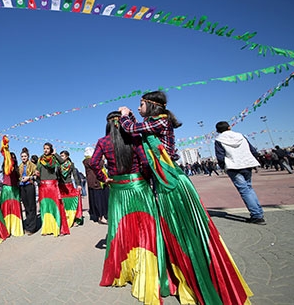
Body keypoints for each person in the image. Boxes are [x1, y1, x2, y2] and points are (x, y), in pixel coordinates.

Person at [119, 91, 252, 304]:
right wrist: (132, 119)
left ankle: (199, 277)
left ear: (151, 106)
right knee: (175, 233)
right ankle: (184, 273)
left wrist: (124, 115)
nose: (137, 108)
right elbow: (140, 131)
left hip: (172, 184)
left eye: (140, 104)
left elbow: (132, 129)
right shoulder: (155, 123)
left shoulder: (160, 122)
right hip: (166, 183)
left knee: (185, 234)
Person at [90, 111, 164, 303]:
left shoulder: (102, 142)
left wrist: (104, 178)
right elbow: (146, 161)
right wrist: (145, 178)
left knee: (121, 230)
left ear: (107, 124)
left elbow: (93, 163)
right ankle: (147, 266)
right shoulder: (134, 137)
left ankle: (126, 269)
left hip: (117, 188)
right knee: (144, 228)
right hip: (138, 185)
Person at [215, 121, 266, 224]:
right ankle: (259, 212)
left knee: (244, 190)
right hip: (247, 164)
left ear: (218, 131)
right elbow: (252, 150)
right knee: (249, 188)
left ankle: (257, 216)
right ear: (229, 127)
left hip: (233, 166)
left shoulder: (219, 139)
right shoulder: (240, 136)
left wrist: (223, 167)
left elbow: (220, 156)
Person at [36, 142, 70, 237]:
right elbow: (38, 169)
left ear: (50, 149)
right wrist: (36, 173)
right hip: (43, 186)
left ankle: (57, 227)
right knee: (45, 207)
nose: (45, 150)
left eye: (47, 148)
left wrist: (55, 153)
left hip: (53, 185)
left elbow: (63, 162)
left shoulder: (54, 158)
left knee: (55, 206)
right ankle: (47, 228)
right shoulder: (41, 158)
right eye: (44, 148)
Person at [0, 136, 24, 237]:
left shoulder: (17, 169)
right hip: (6, 189)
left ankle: (15, 227)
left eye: (13, 157)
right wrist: (5, 146)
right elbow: (6, 156)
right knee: (6, 208)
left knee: (15, 209)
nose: (12, 158)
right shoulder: (6, 166)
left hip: (15, 189)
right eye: (10, 157)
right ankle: (6, 228)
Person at [83, 148, 109, 224]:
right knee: (99, 200)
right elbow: (98, 165)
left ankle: (102, 215)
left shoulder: (88, 160)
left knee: (102, 199)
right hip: (96, 182)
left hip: (98, 181)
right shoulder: (88, 160)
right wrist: (102, 160)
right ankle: (101, 217)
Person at [58, 150, 83, 228]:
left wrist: (78, 184)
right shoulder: (58, 165)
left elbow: (75, 175)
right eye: (60, 156)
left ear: (67, 156)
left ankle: (75, 219)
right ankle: (64, 219)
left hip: (69, 186)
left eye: (62, 156)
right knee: (63, 203)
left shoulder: (71, 165)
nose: (61, 157)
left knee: (72, 203)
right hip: (61, 186)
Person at [19, 147, 38, 234]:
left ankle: (32, 227)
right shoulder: (20, 166)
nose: (23, 158)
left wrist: (28, 177)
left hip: (30, 185)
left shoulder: (33, 166)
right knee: (26, 207)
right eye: (22, 156)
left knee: (31, 206)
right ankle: (28, 225)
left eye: (25, 156)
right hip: (22, 187)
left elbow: (36, 176)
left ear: (28, 156)